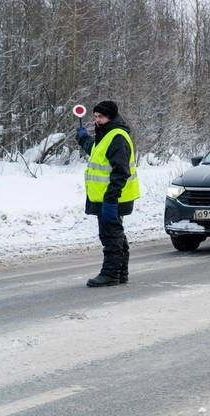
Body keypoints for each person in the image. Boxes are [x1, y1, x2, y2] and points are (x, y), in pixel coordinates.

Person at [76, 101, 140, 287]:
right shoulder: (107, 134)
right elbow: (97, 153)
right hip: (108, 197)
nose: (97, 120)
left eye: (101, 117)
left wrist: (111, 200)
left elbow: (120, 171)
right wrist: (84, 139)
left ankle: (110, 274)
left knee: (110, 235)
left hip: (112, 197)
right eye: (95, 117)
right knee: (116, 234)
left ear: (110, 117)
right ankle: (120, 273)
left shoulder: (117, 137)